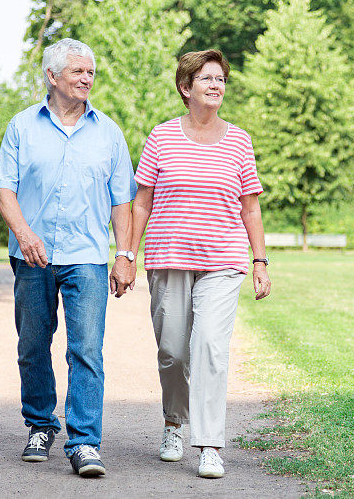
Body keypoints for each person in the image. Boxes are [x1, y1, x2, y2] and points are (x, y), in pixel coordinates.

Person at [0, 38, 137, 477]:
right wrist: (23, 232)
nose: (87, 79)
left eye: (90, 72)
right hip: (31, 256)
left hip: (87, 256)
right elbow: (5, 189)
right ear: (52, 77)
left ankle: (85, 442)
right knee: (33, 347)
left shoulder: (109, 132)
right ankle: (40, 424)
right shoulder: (21, 126)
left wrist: (126, 254)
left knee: (87, 350)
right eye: (77, 72)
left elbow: (122, 202)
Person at [129, 49, 271, 478]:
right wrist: (127, 256)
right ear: (185, 88)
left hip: (223, 262)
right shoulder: (161, 137)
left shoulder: (239, 140)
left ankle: (209, 443)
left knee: (209, 347)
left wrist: (260, 260)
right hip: (168, 258)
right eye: (207, 78)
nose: (216, 85)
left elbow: (251, 209)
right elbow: (142, 202)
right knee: (173, 351)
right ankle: (174, 422)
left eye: (221, 80)